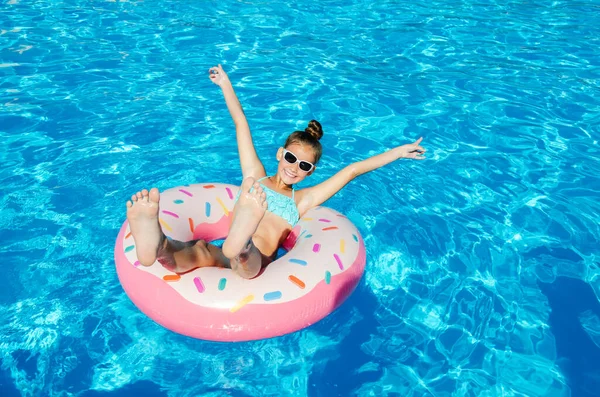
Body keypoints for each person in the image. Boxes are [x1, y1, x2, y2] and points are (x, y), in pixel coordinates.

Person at [126, 64, 426, 279]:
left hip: (257, 259)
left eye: (305, 166)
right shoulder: (254, 176)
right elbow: (241, 124)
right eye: (292, 158)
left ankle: (241, 240)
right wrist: (226, 85)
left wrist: (399, 152)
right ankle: (157, 242)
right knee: (199, 253)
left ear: (311, 173)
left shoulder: (302, 200)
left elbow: (351, 171)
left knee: (244, 257)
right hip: (227, 251)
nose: (295, 168)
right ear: (280, 154)